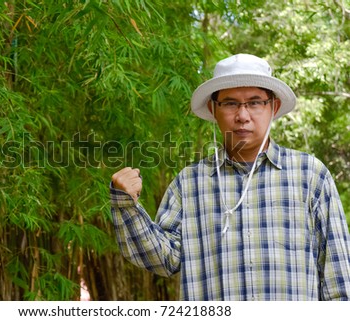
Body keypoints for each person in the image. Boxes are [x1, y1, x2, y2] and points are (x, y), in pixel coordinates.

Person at [109, 53, 350, 300]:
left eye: (255, 102)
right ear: (214, 109)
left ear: (273, 107)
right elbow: (163, 260)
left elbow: (338, 277)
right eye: (230, 103)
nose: (243, 116)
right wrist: (126, 205)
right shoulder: (190, 183)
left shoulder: (310, 175)